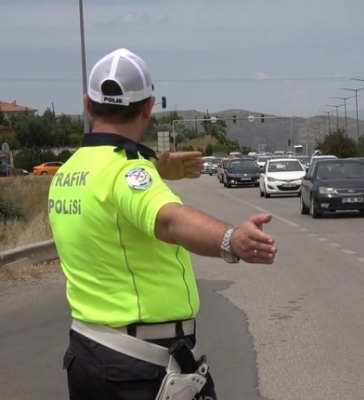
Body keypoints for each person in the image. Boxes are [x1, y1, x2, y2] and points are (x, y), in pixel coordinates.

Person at [48, 48, 277, 400]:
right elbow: (169, 221)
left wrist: (155, 167)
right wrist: (232, 240)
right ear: (148, 106)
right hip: (137, 368)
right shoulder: (128, 172)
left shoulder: (68, 172)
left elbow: (110, 201)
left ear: (88, 105)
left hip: (86, 355)